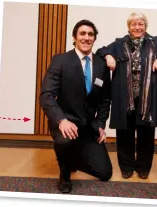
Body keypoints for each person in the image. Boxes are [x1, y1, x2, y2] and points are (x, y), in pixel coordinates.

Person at [39, 19, 112, 193]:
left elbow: (105, 99)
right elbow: (46, 95)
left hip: (88, 126)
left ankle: (71, 156)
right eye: (82, 33)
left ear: (94, 39)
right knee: (64, 141)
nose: (86, 38)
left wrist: (101, 124)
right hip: (66, 122)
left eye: (90, 34)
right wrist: (61, 120)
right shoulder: (61, 60)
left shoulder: (101, 65)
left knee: (104, 172)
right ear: (74, 37)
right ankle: (64, 172)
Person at [96, 12, 157, 179]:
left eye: (140, 24)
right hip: (125, 99)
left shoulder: (156, 42)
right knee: (124, 135)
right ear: (128, 27)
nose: (137, 27)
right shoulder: (118, 44)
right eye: (134, 24)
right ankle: (126, 167)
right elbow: (101, 50)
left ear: (146, 26)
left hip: (148, 99)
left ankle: (144, 168)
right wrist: (108, 56)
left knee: (147, 135)